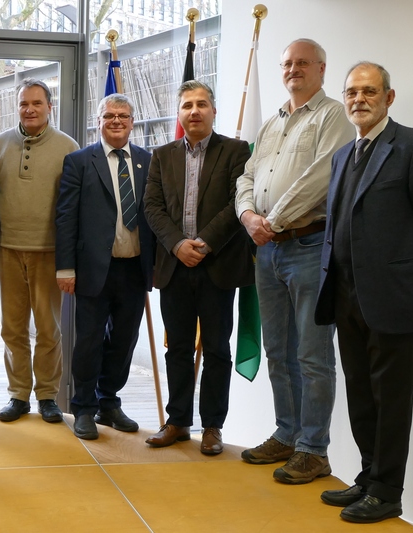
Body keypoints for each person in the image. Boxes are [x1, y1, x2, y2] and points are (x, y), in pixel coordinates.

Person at [314, 62, 413, 523]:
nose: (359, 99)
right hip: (345, 296)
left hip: (396, 299)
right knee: (360, 392)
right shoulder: (342, 156)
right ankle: (368, 475)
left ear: (389, 98)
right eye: (352, 91)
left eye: (370, 91)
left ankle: (388, 490)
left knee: (392, 398)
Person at [234, 38, 351, 483]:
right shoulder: (271, 123)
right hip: (267, 250)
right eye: (287, 63)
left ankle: (313, 449)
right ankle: (287, 432)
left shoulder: (332, 116)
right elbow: (247, 175)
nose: (293, 69)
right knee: (278, 351)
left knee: (313, 354)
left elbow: (321, 175)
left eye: (302, 63)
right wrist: (248, 216)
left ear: (322, 68)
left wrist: (273, 220)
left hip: (306, 247)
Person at [143, 81, 253, 452]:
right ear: (179, 113)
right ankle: (177, 422)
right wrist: (177, 245)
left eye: (202, 104)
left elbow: (238, 201)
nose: (194, 111)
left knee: (218, 349)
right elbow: (153, 207)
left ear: (213, 110)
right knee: (177, 349)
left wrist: (203, 244)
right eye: (187, 105)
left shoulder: (236, 151)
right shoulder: (162, 155)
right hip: (174, 267)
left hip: (217, 266)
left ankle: (212, 427)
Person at [55, 93, 154, 441]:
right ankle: (83, 408)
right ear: (98, 121)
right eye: (109, 115)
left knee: (125, 340)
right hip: (93, 269)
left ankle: (108, 402)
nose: (116, 121)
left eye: (123, 116)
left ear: (132, 122)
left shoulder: (147, 160)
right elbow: (66, 218)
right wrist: (65, 267)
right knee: (89, 340)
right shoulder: (79, 161)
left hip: (134, 268)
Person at [0, 79, 79, 424]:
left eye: (36, 103)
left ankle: (47, 396)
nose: (29, 109)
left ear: (49, 106)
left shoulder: (67, 147)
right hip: (8, 250)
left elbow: (74, 204)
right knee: (12, 328)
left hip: (48, 251)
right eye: (24, 103)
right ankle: (17, 394)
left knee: (48, 328)